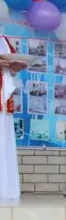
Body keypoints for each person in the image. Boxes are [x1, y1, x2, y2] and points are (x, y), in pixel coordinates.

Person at [0, 36, 27, 203]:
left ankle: (6, 190)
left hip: (3, 102)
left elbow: (9, 71)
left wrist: (15, 68)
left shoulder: (3, 40)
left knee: (5, 142)